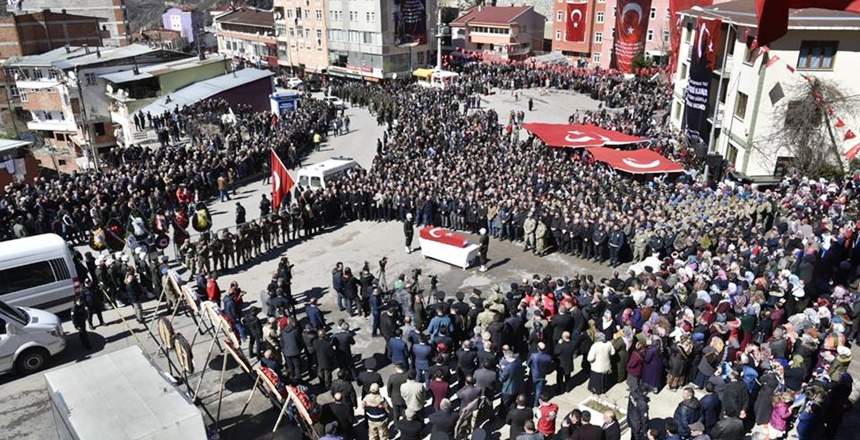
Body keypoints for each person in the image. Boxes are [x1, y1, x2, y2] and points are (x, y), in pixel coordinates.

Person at [528, 342, 552, 407]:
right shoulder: (548, 357)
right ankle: (535, 404)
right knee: (538, 391)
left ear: (538, 348)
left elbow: (528, 363)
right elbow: (549, 367)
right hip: (542, 375)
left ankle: (528, 402)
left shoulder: (533, 356)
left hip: (533, 375)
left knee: (529, 389)